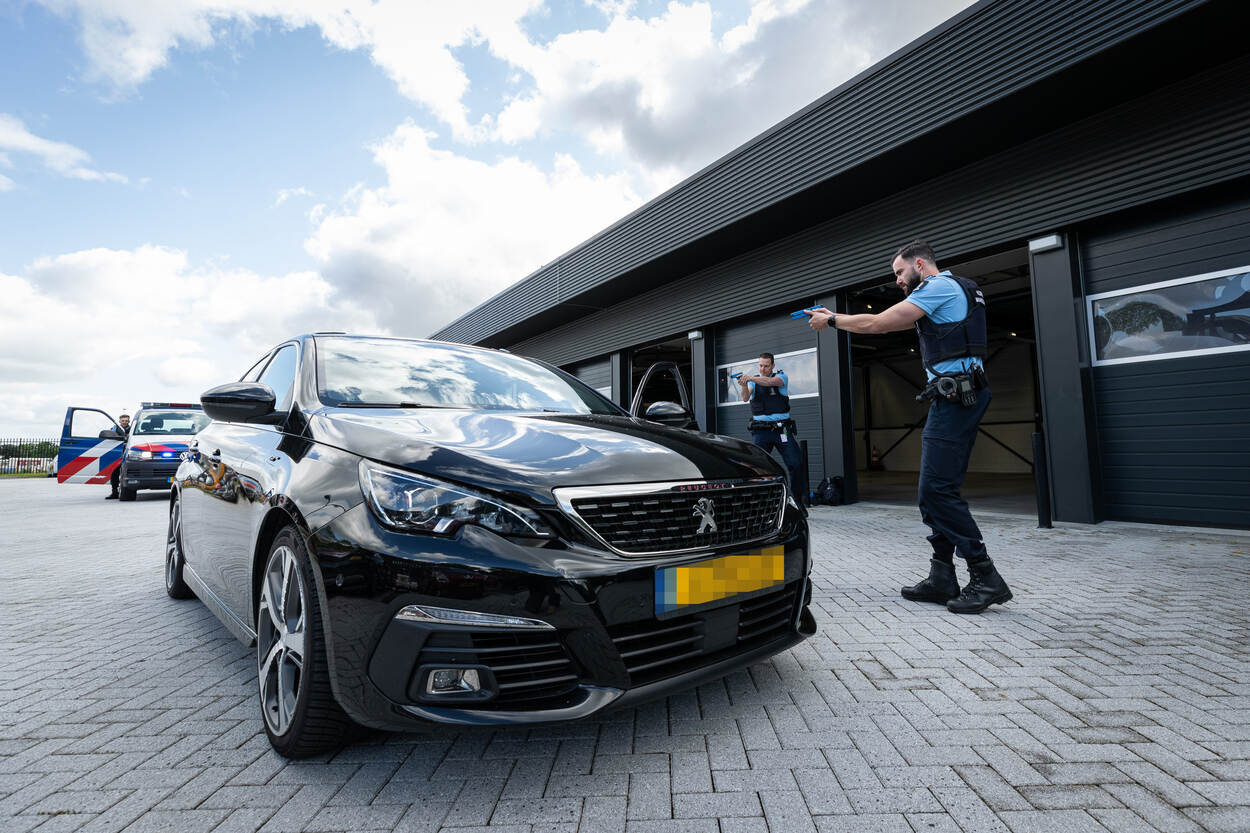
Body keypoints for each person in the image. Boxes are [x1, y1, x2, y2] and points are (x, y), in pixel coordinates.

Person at [805, 240, 1012, 614]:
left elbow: (878, 323)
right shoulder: (960, 287)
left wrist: (832, 320)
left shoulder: (938, 286)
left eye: (900, 272)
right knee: (934, 491)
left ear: (920, 264)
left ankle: (985, 576)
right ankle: (942, 576)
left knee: (936, 490)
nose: (898, 280)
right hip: (957, 396)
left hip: (956, 400)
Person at [737, 353, 804, 498]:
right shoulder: (752, 382)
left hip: (783, 430)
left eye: (766, 366)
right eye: (760, 365)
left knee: (796, 463)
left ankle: (797, 499)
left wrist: (749, 378)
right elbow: (745, 398)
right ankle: (759, 499)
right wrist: (744, 385)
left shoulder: (781, 377)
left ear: (773, 366)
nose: (763, 369)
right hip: (761, 431)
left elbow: (769, 382)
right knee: (754, 466)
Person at [106, 413, 131, 499]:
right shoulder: (113, 429)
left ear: (129, 421)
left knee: (126, 473)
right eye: (123, 420)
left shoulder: (132, 429)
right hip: (116, 454)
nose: (124, 422)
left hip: (128, 454)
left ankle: (127, 491)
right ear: (119, 421)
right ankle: (114, 492)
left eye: (126, 421)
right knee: (114, 473)